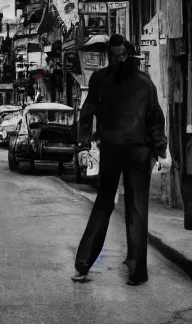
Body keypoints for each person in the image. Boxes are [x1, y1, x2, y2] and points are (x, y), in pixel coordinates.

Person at [73, 34, 171, 287]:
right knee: (137, 208)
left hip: (112, 150)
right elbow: (155, 120)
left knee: (104, 204)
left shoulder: (99, 80)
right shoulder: (144, 82)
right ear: (130, 54)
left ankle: (83, 264)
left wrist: (84, 145)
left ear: (109, 56)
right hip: (139, 152)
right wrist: (161, 150)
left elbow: (86, 114)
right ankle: (136, 272)